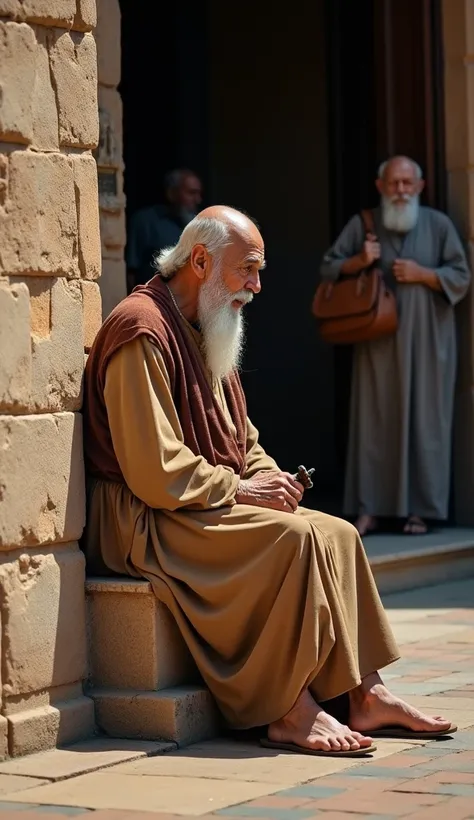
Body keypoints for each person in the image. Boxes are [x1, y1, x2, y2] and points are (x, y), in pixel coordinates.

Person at [83, 205, 455, 757]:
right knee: (296, 540)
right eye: (248, 271)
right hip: (144, 516)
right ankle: (285, 708)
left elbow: (243, 441)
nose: (256, 287)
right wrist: (240, 490)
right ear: (201, 261)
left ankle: (367, 693)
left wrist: (269, 480)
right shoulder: (141, 329)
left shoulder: (209, 319)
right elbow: (153, 469)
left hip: (196, 498)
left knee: (338, 533)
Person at [320, 156, 471, 537]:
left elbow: (461, 275)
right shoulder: (364, 223)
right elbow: (328, 267)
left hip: (428, 344)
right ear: (380, 186)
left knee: (426, 421)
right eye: (394, 184)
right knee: (373, 423)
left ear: (419, 187)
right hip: (377, 344)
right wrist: (359, 261)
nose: (401, 191)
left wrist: (425, 274)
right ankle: (368, 510)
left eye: (407, 184)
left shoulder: (438, 225)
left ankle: (421, 511)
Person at [126, 168, 203, 289]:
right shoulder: (146, 221)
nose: (197, 200)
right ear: (172, 193)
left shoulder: (199, 226)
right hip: (154, 299)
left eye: (199, 194)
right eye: (191, 193)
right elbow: (131, 271)